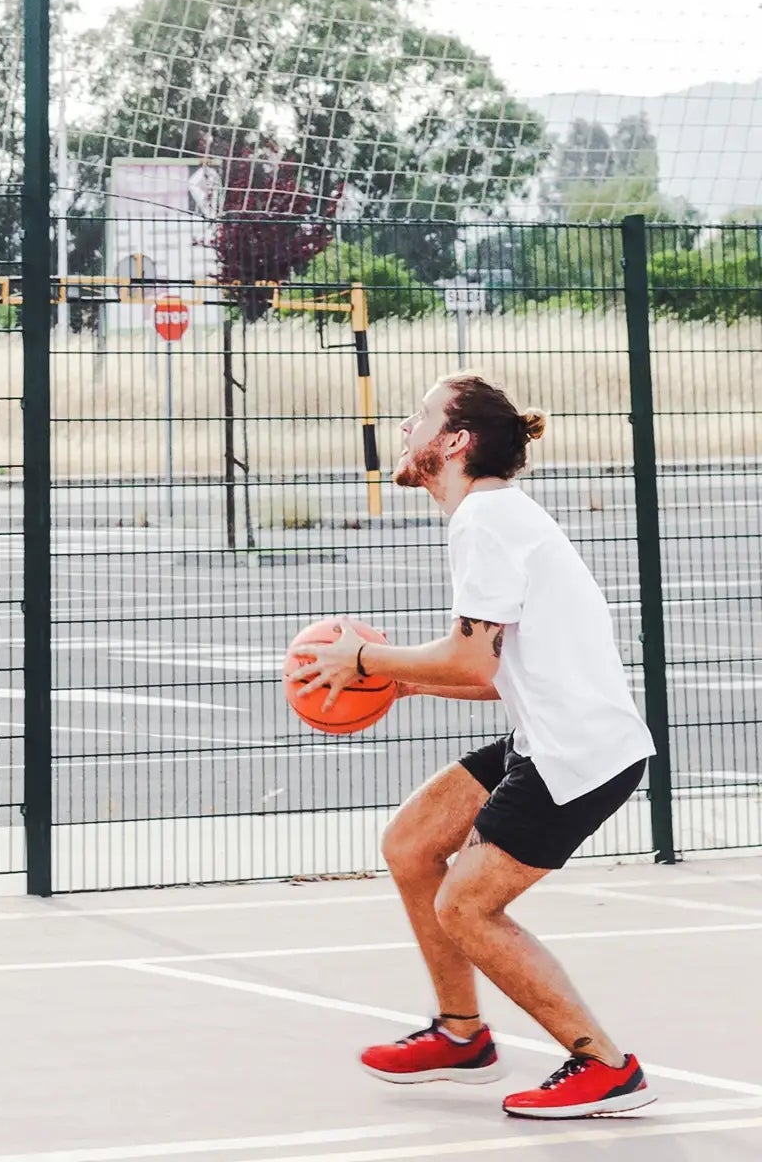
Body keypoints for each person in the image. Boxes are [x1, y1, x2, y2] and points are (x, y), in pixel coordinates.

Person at [290, 372, 656, 1120]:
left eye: (419, 417)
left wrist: (363, 661)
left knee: (466, 906)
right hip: (553, 734)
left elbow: (469, 659)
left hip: (576, 755)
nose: (404, 428)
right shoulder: (495, 517)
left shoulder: (485, 521)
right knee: (412, 842)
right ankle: (462, 1036)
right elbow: (495, 673)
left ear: (454, 443)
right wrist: (407, 684)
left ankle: (606, 1066)